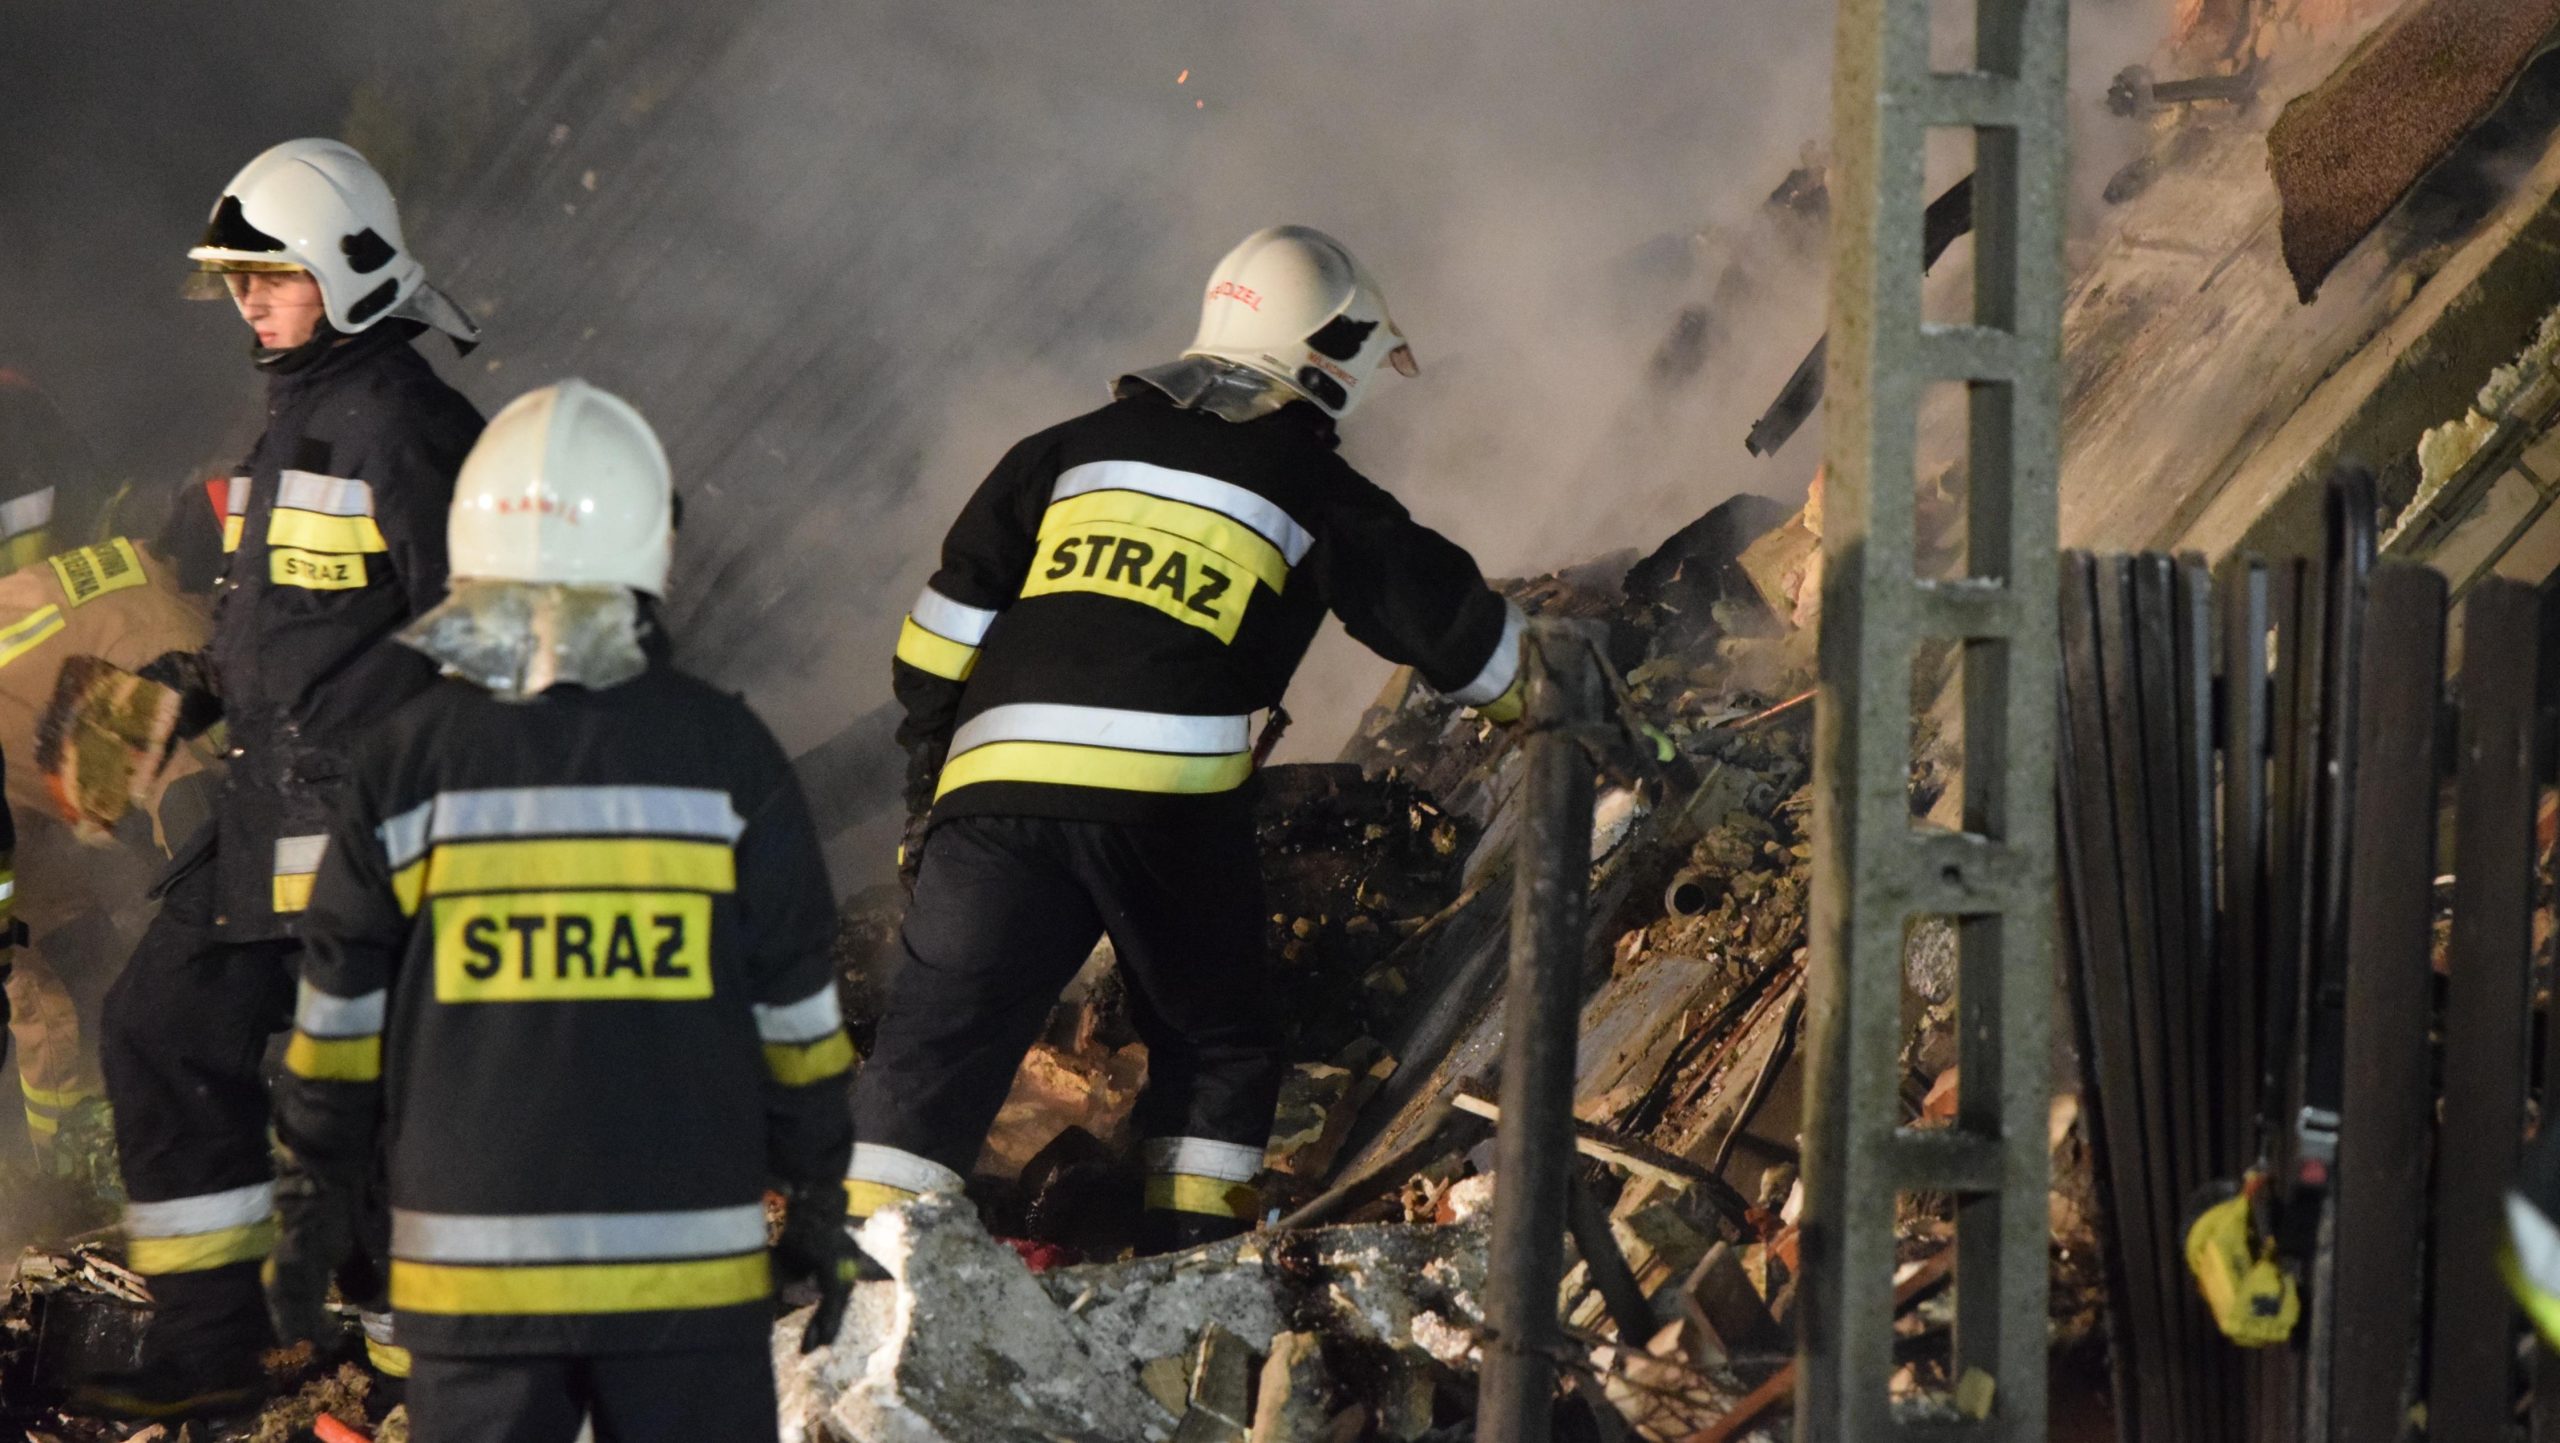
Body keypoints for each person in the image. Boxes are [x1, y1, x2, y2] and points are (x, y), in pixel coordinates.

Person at [852, 225, 1525, 1251]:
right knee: (1214, 1041)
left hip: (992, 795)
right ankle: (1190, 1282)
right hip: (1162, 799)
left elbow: (936, 648)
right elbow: (1440, 619)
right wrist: (1548, 698)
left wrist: (927, 798)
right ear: (1322, 351)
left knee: (932, 1048)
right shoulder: (1306, 481)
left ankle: (864, 1303)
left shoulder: (1059, 452)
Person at [265, 379, 862, 1443]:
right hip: (687, 1275)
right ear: (652, 545)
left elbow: (338, 1020)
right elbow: (799, 1015)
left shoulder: (408, 763)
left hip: (474, 1280)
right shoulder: (724, 752)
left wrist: (315, 1206)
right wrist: (817, 1197)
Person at [87, 137, 483, 1418]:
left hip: (366, 823)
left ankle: (408, 1364)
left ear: (349, 269)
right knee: (160, 1030)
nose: (250, 302)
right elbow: (302, 625)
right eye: (236, 281)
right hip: (270, 810)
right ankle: (211, 1342)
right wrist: (196, 679)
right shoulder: (293, 421)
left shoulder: (412, 428)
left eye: (272, 275)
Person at [0, 536, 216, 1157]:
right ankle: (72, 1157)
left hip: (98, 695)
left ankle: (69, 1158)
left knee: (50, 972)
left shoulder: (147, 645)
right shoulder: (155, 612)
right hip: (136, 614)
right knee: (49, 967)